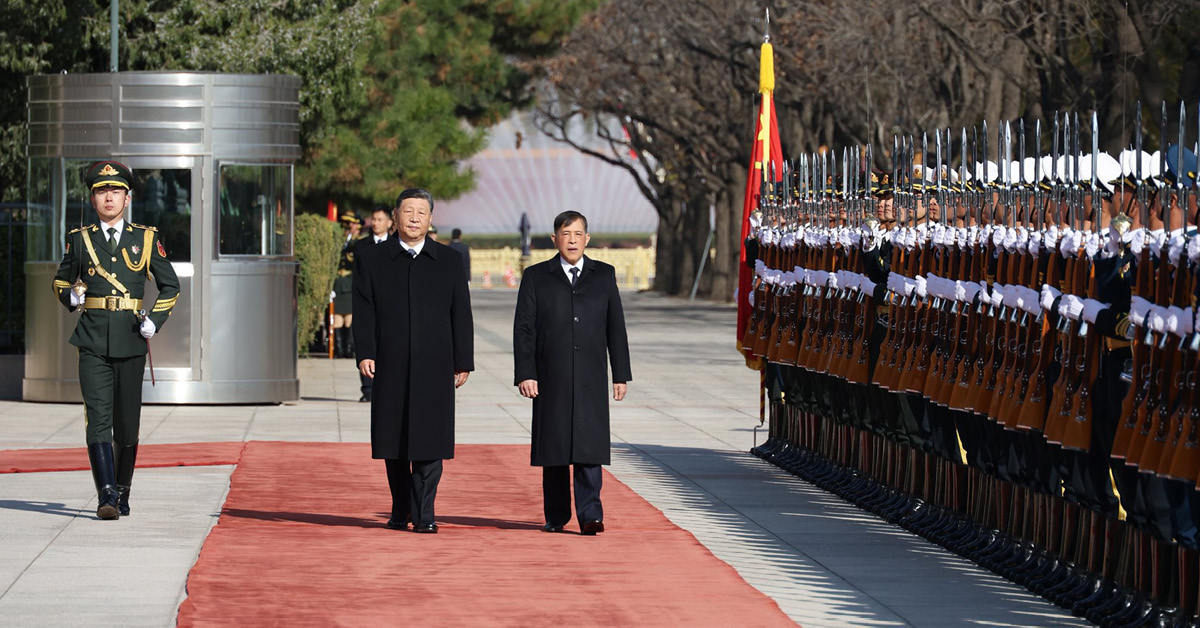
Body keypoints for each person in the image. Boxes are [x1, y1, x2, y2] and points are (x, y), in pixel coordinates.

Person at [51, 161, 180, 520]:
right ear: (93, 199)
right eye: (101, 191)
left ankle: (122, 490)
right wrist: (71, 298)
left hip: (129, 338)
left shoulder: (146, 238)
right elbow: (61, 281)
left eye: (115, 191)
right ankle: (106, 493)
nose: (108, 197)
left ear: (127, 197)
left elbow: (171, 285)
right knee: (98, 419)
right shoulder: (80, 240)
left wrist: (154, 320)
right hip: (91, 338)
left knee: (127, 424)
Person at [353, 188, 473, 534]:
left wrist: (462, 360)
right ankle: (400, 507)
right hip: (389, 361)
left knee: (430, 441)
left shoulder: (448, 261)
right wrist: (366, 352)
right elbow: (364, 310)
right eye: (408, 211)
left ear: (431, 219)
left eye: (422, 212)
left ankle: (425, 513)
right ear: (396, 216)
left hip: (436, 364)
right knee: (394, 441)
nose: (415, 218)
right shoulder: (372, 259)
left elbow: (460, 314)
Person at [513, 210, 632, 535]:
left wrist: (619, 374)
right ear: (555, 239)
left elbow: (615, 328)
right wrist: (526, 372)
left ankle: (590, 513)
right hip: (550, 376)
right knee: (554, 449)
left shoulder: (603, 275)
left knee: (589, 447)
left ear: (587, 239)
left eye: (578, 234)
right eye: (566, 234)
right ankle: (556, 515)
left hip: (591, 376)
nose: (572, 240)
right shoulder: (537, 276)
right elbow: (524, 329)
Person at [353, 204, 394, 402]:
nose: (376, 223)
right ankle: (367, 389)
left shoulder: (396, 245)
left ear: (389, 222)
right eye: (374, 219)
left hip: (390, 304)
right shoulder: (361, 246)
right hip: (369, 300)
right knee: (366, 341)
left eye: (380, 219)